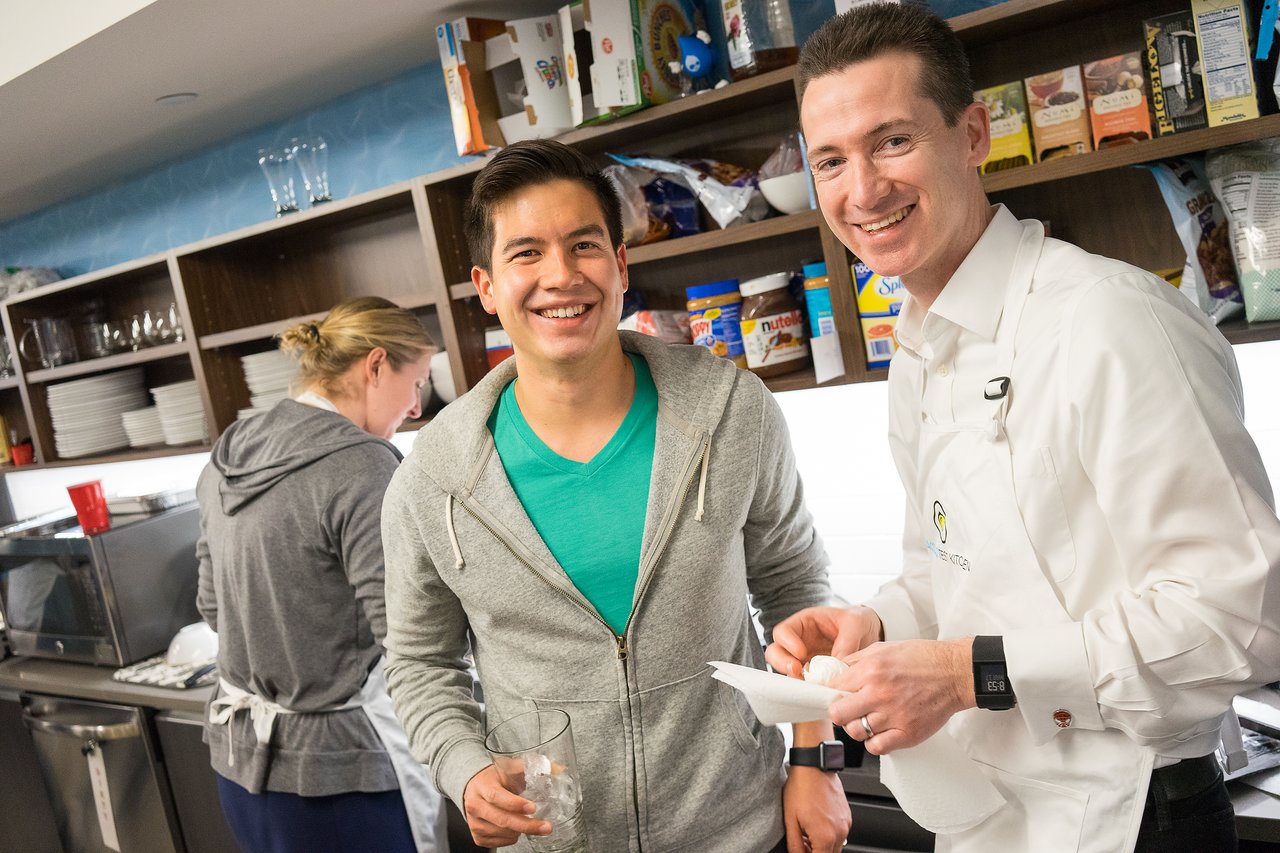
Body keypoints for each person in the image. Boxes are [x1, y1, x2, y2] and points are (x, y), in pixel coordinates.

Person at [764, 6, 1280, 853]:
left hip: (1133, 819)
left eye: (892, 141)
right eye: (830, 160)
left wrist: (969, 672)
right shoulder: (918, 351)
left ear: (971, 134)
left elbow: (1243, 615)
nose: (862, 190)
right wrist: (878, 626)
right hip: (997, 820)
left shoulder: (1110, 320)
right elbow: (948, 567)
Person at [380, 139, 851, 853]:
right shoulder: (433, 478)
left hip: (740, 833)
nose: (561, 276)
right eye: (527, 253)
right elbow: (419, 664)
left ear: (621, 264)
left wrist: (818, 758)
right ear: (486, 285)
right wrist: (464, 767)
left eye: (584, 245)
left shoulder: (731, 412)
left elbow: (796, 588)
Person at [196, 296, 448, 853]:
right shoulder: (362, 463)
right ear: (375, 365)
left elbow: (213, 609)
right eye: (417, 383)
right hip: (342, 776)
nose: (414, 407)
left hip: (240, 762)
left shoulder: (228, 451)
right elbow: (407, 637)